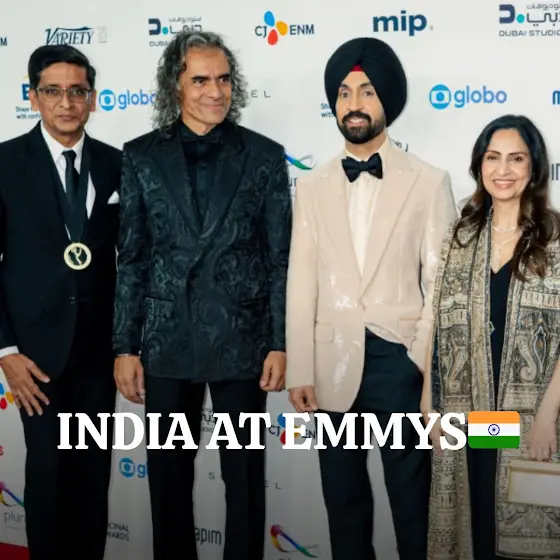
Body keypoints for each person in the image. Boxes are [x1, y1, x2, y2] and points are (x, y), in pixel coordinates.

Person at [112, 30, 292, 560]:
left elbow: (280, 258)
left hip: (244, 341)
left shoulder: (264, 155)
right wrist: (124, 346)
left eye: (223, 79)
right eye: (200, 80)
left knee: (244, 477)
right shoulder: (141, 156)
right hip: (167, 341)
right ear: (176, 86)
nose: (215, 91)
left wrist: (280, 341)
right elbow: (132, 257)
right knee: (167, 478)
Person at [285, 37, 457, 560]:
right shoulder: (311, 185)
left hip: (398, 362)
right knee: (343, 504)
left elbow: (442, 285)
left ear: (388, 100)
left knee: (413, 503)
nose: (353, 104)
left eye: (366, 91)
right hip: (330, 361)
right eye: (343, 93)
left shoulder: (429, 182)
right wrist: (300, 368)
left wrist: (419, 361)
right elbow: (302, 280)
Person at [0, 45, 121, 560]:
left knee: (93, 477)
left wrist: (128, 345)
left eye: (77, 91)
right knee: (48, 474)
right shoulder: (5, 163)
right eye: (53, 91)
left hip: (99, 351)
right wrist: (5, 351)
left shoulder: (117, 164)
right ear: (33, 97)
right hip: (34, 355)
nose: (66, 103)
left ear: (92, 98)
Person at [423, 114, 560, 559]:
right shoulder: (460, 237)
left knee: (524, 527)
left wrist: (547, 416)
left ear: (533, 168)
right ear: (479, 165)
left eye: (516, 159)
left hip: (532, 420)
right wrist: (430, 405)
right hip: (469, 416)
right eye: (492, 157)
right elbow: (439, 329)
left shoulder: (555, 238)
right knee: (477, 519)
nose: (503, 170)